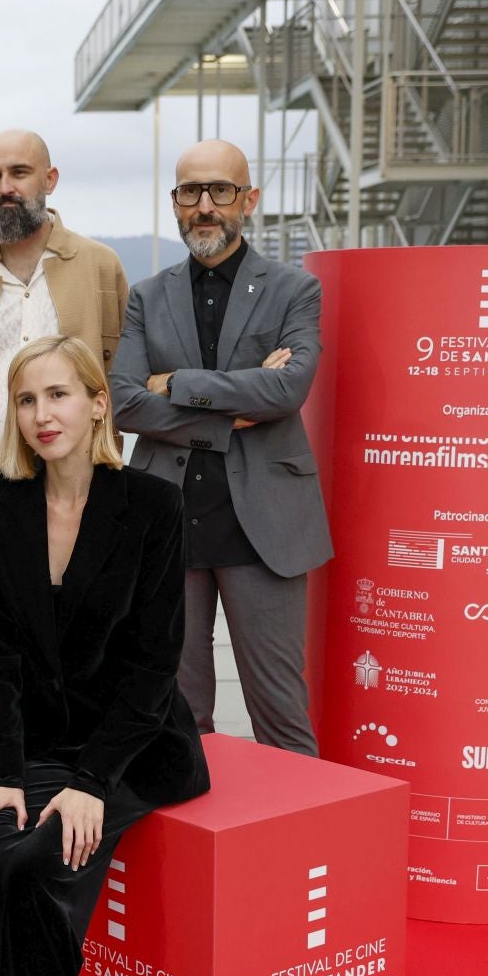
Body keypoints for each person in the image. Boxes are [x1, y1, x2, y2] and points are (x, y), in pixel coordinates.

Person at [0, 333, 209, 976]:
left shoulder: (153, 506)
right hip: (35, 748)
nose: (41, 415)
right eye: (27, 400)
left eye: (59, 395)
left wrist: (91, 782)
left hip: (129, 750)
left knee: (33, 869)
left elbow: (152, 668)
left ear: (100, 403)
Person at [0, 129, 130, 877]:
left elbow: (109, 374)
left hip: (75, 499)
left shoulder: (100, 267)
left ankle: (68, 799)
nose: (5, 186)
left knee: (78, 664)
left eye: (18, 172)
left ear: (50, 177)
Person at [111, 139, 331, 755]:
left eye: (220, 191)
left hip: (265, 528)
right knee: (176, 717)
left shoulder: (294, 289)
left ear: (249, 200)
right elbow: (125, 402)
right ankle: (195, 850)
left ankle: (294, 850)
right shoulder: (146, 296)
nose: (204, 206)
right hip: (167, 524)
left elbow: (286, 390)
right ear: (175, 202)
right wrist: (225, 416)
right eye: (189, 192)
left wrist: (177, 382)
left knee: (281, 714)